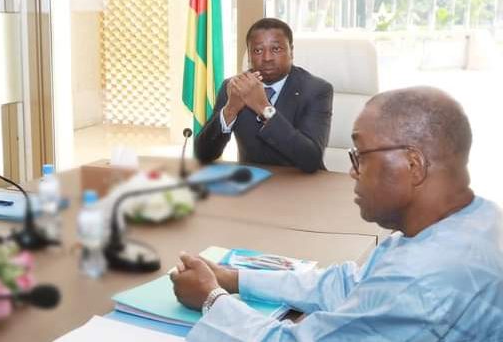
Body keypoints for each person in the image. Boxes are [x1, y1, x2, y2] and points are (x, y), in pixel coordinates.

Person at [172, 86, 503, 341]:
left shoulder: (421, 280)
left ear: (413, 165)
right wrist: (233, 278)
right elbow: (347, 284)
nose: (353, 172)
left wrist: (211, 299)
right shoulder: (477, 218)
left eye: (360, 156)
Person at [194, 18, 333, 173]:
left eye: (276, 49)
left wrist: (264, 108)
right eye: (258, 51)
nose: (267, 58)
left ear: (291, 51)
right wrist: (230, 110)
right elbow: (203, 154)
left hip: (301, 182)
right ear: (249, 56)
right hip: (253, 181)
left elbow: (311, 159)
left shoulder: (316, 90)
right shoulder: (234, 87)